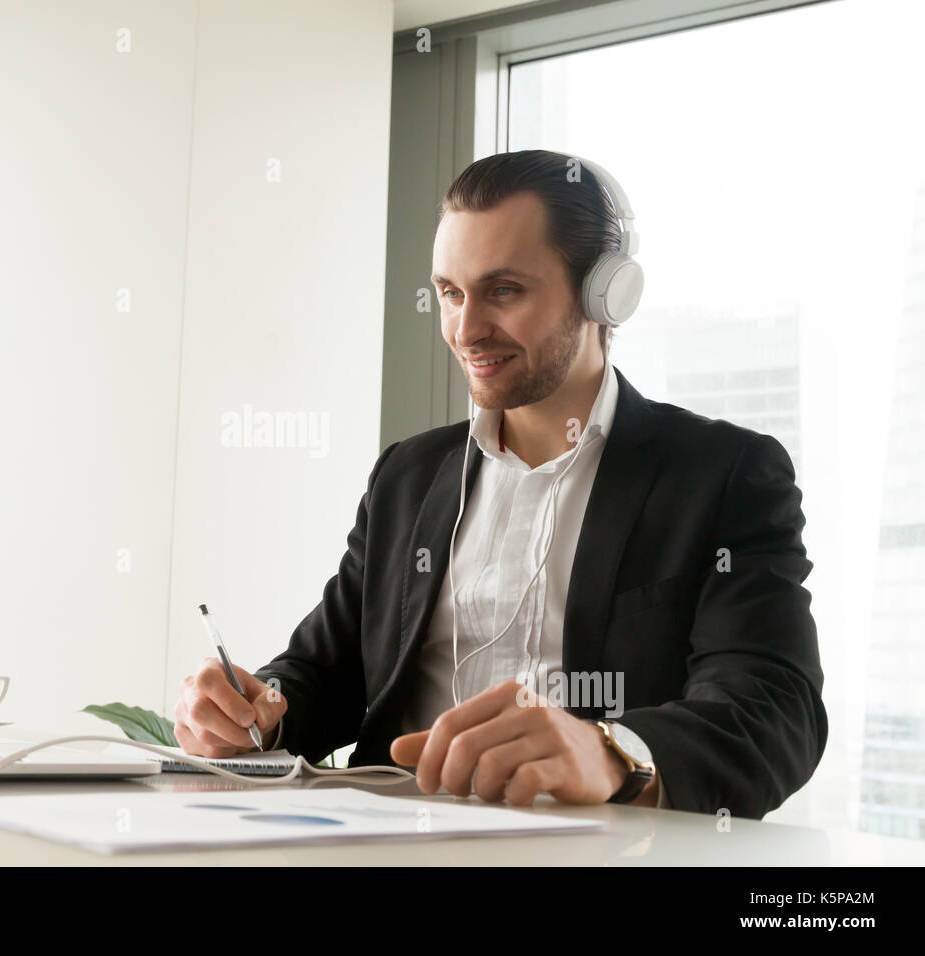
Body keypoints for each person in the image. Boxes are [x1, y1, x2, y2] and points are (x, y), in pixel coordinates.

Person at [172, 149, 826, 818]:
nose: (465, 328)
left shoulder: (721, 475)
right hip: (382, 844)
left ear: (606, 292)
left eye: (504, 290)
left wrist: (611, 753)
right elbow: (327, 673)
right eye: (451, 292)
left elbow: (774, 708)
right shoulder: (410, 474)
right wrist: (256, 709)